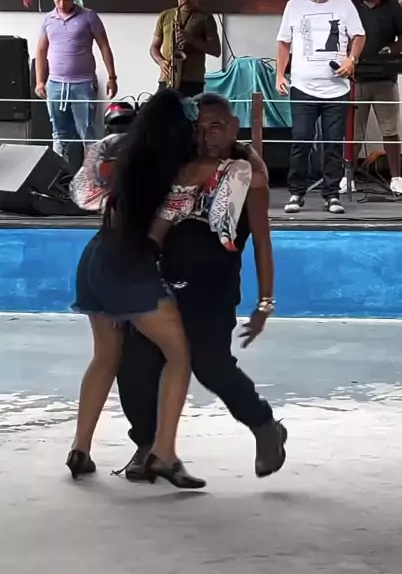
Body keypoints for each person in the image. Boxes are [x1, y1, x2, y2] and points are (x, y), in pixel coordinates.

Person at [116, 93, 286, 482]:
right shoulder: (175, 166)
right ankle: (147, 445)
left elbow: (262, 242)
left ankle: (264, 426)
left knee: (211, 365)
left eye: (216, 127)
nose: (207, 136)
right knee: (136, 364)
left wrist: (265, 303)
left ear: (233, 127)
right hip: (160, 284)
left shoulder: (248, 175)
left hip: (213, 289)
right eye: (199, 128)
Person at [68, 89, 206, 489]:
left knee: (104, 357)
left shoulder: (118, 153)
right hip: (128, 265)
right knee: (179, 354)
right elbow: (168, 220)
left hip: (94, 257)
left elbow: (83, 193)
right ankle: (164, 453)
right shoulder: (182, 167)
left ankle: (80, 449)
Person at [276, 0, 366, 216]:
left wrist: (351, 60)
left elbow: (359, 35)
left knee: (333, 144)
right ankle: (297, 192)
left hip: (336, 89)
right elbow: (283, 42)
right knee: (301, 140)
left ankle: (332, 194)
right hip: (302, 86)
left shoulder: (344, 4)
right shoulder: (294, 6)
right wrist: (279, 74)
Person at [344, 0, 402, 196]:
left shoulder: (393, 9)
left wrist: (390, 50)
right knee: (353, 133)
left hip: (385, 81)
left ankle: (396, 179)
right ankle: (347, 178)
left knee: (390, 130)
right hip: (357, 80)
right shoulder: (352, 11)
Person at [35, 0, 117, 161]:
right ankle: (60, 175)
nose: (61, 4)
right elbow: (40, 50)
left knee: (88, 132)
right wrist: (40, 81)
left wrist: (112, 77)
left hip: (83, 84)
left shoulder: (89, 16)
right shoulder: (48, 19)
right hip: (55, 84)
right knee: (59, 134)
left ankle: (93, 175)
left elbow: (104, 46)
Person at [149, 0, 221, 97]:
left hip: (192, 82)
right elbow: (154, 47)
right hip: (167, 79)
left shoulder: (206, 18)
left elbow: (216, 50)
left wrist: (191, 39)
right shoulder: (165, 16)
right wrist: (161, 61)